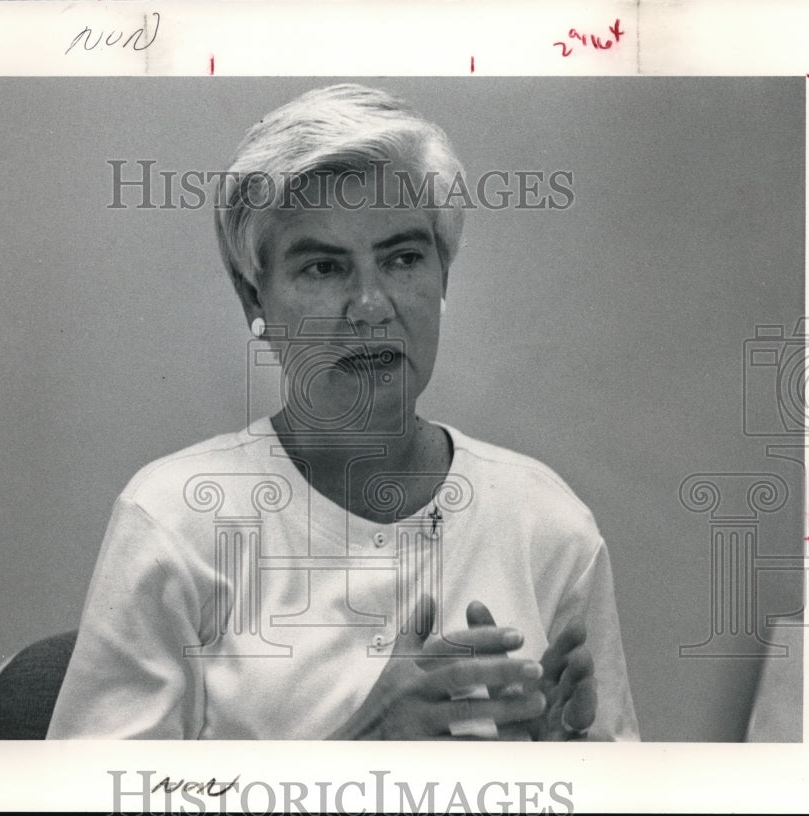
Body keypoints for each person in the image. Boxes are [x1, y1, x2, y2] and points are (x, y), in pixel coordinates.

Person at [47, 84, 639, 741]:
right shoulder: (178, 520)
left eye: (403, 259)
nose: (370, 305)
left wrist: (569, 777)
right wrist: (359, 752)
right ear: (254, 299)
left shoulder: (544, 522)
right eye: (324, 268)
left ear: (443, 276)